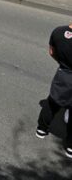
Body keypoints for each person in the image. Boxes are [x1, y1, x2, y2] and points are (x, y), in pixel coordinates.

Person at [36, 23, 72, 159]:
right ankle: (70, 147)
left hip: (63, 74)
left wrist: (63, 64)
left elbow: (52, 52)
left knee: (52, 102)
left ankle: (41, 129)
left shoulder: (58, 31)